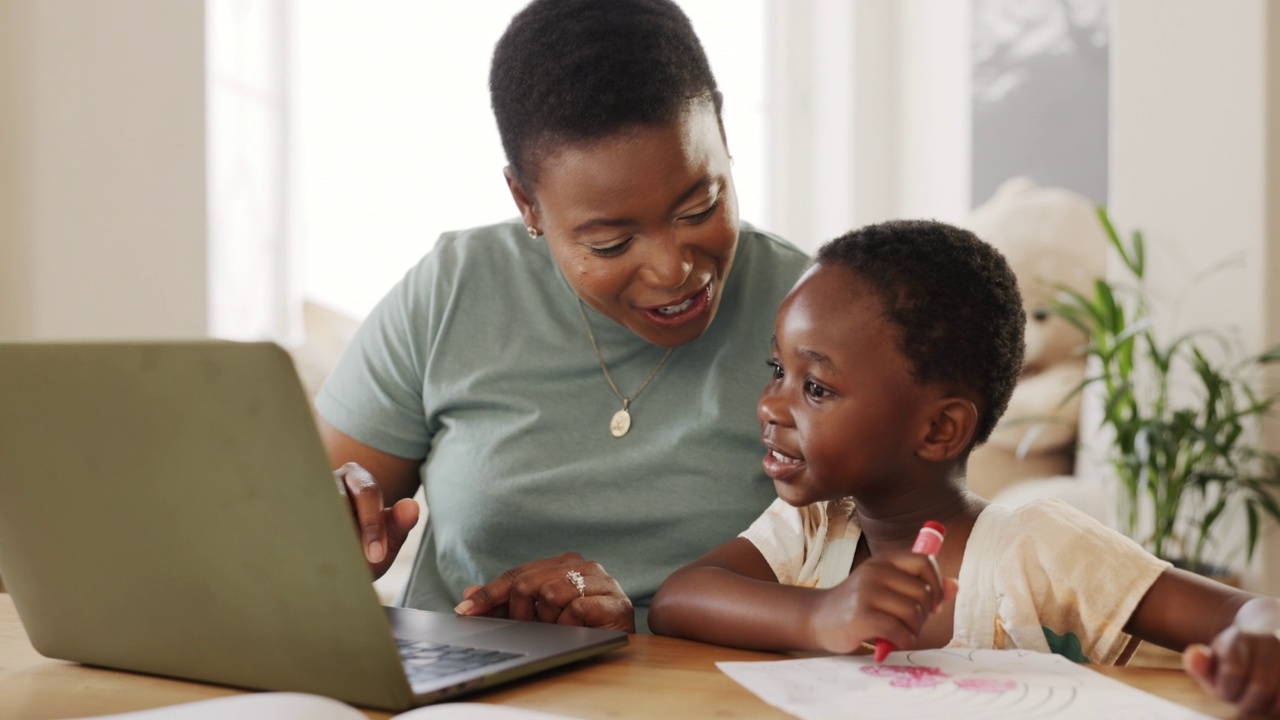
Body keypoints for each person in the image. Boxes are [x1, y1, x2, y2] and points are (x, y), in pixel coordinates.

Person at [648, 220, 1280, 716]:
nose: (769, 404)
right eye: (777, 371)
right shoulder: (816, 532)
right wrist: (821, 615)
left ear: (940, 429)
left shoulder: (1037, 551)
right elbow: (677, 601)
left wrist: (1259, 645)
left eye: (815, 389)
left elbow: (1254, 612)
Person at [316, 0, 809, 634]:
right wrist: (334, 534)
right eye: (610, 243)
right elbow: (304, 544)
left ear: (722, 131)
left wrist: (631, 630)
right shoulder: (454, 288)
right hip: (460, 693)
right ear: (527, 202)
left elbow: (863, 571)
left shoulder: (815, 312)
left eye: (699, 205)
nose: (672, 269)